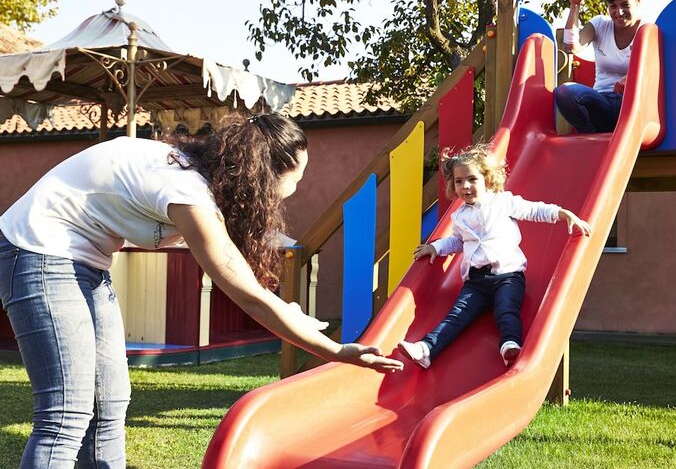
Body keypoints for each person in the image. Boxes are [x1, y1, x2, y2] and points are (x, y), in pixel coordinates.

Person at [0, 113, 403, 468]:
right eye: (295, 179)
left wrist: (288, 311)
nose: (296, 188)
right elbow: (244, 292)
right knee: (67, 412)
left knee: (109, 403)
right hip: (36, 251)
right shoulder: (187, 192)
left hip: (86, 262)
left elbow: (246, 269)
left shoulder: (204, 184)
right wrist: (333, 351)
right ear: (263, 176)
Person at [397, 144, 591, 369]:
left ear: (487, 179)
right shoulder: (459, 216)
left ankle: (509, 344)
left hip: (508, 276)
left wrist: (562, 213)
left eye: (472, 179)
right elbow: (458, 242)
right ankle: (426, 349)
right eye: (459, 181)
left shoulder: (503, 202)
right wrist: (436, 247)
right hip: (476, 282)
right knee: (457, 315)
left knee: (506, 309)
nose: (465, 186)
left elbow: (534, 210)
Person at [556, 0, 645, 133]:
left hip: (629, 104)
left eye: (625, 5)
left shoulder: (646, 30)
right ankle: (590, 138)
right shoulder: (600, 24)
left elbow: (653, 70)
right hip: (601, 102)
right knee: (564, 92)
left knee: (627, 102)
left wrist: (630, 79)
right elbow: (571, 45)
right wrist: (574, 6)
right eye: (613, 6)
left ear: (638, 1)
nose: (618, 12)